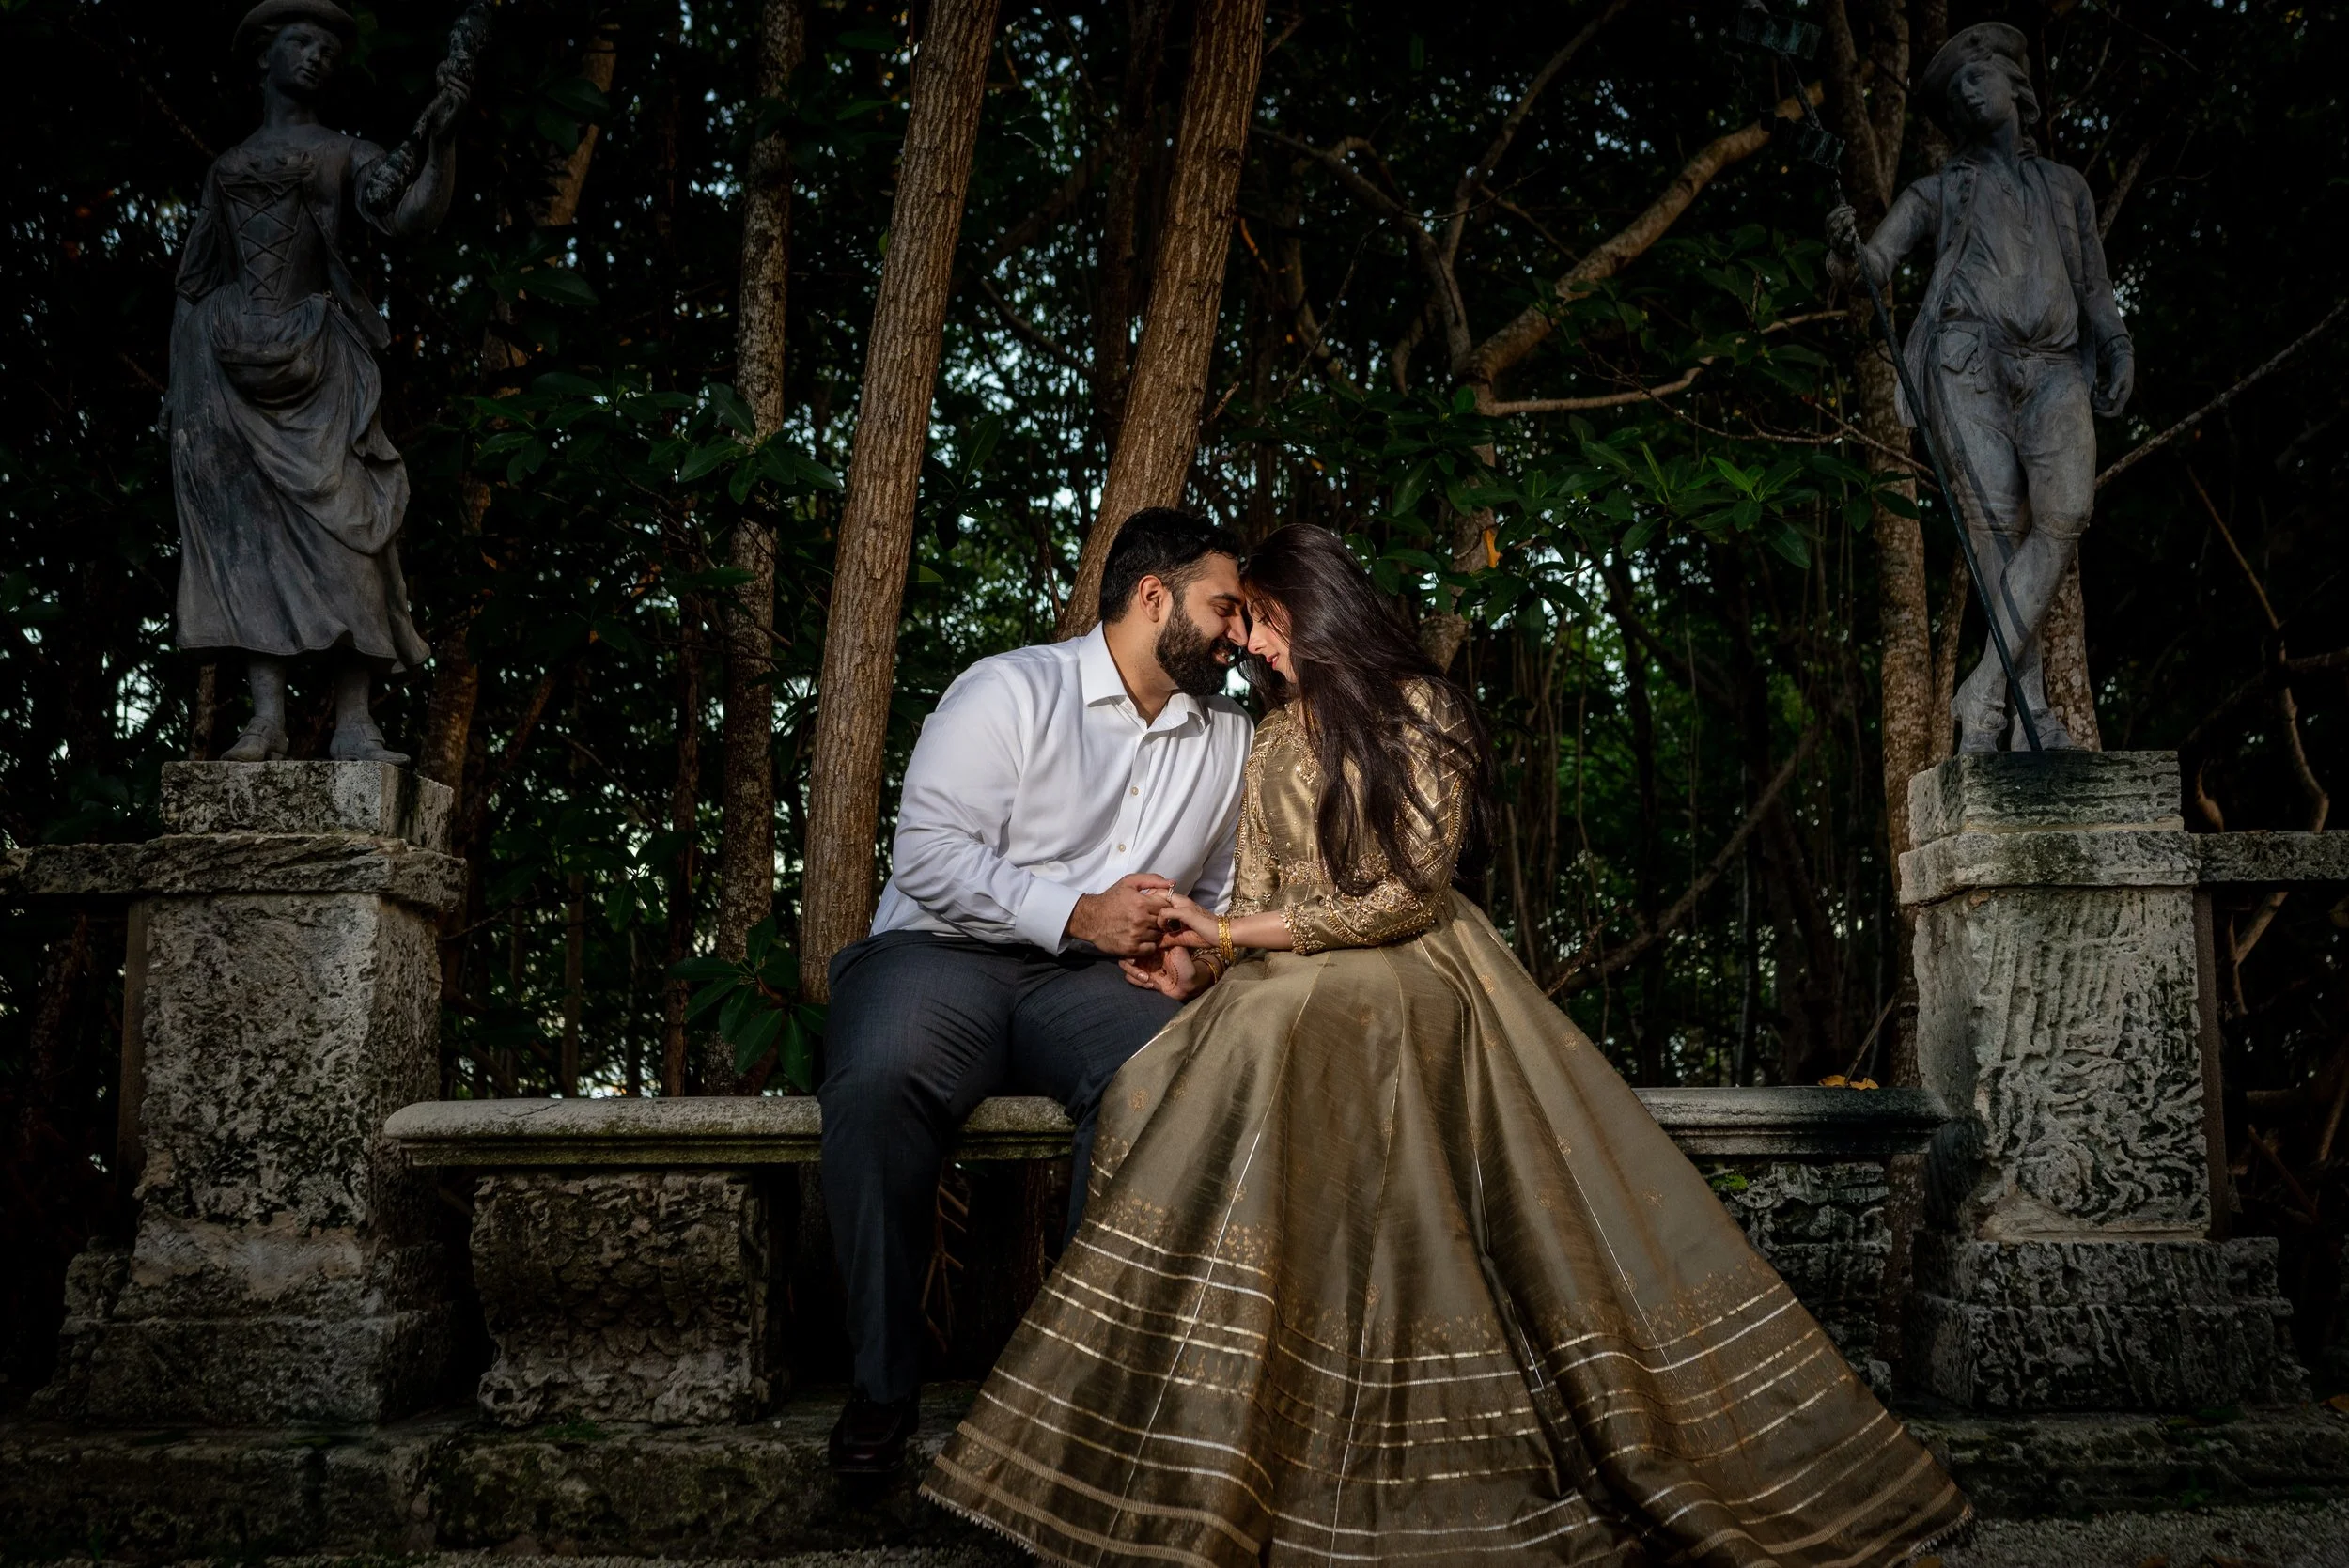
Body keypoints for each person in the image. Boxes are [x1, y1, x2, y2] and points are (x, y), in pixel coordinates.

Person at [924, 525, 1971, 1565]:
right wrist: (1199, 960)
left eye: (1269, 625)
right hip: (1283, 974)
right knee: (1177, 1055)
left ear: (1321, 611)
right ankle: (1167, 1422)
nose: (1253, 649)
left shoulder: (1418, 708)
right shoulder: (1268, 734)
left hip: (1415, 964)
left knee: (1286, 1019)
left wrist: (1234, 940)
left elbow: (1404, 894)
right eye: (1246, 628)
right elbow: (1249, 896)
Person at [819, 508, 1254, 1476]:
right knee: (878, 1080)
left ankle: (1076, 1390)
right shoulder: (1010, 690)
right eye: (1223, 606)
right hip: (940, 955)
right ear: (1153, 596)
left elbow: (1223, 898)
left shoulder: (1230, 741)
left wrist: (1199, 959)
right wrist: (1075, 912)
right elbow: (928, 858)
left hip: (1103, 985)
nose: (1237, 632)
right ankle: (881, 1388)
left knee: (1169, 1072)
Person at [171, 0, 467, 763]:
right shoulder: (227, 168)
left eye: (330, 49)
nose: (317, 57)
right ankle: (264, 716)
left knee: (350, 532)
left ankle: (355, 721)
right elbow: (197, 280)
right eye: (301, 42)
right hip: (229, 367)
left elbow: (406, 217)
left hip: (322, 367)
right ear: (264, 55)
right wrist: (190, 409)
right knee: (250, 536)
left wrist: (440, 146)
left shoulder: (348, 153)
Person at [1826, 22, 2132, 753]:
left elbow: (2093, 288)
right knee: (1996, 529)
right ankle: (2023, 711)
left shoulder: (2067, 190)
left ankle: (1984, 687)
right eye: (1957, 88)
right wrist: (1846, 251)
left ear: (2015, 88)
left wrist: (2116, 344)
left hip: (2057, 365)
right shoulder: (1938, 191)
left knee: (2066, 511)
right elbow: (1875, 263)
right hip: (1967, 360)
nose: (1968, 94)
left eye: (1978, 78)